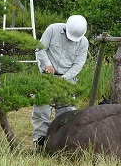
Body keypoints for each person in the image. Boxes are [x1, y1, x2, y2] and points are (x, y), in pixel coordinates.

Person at [32, 15, 89, 150]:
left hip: (67, 81)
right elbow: (40, 48)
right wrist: (47, 65)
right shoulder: (53, 29)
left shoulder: (83, 42)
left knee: (67, 113)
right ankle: (39, 144)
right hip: (47, 77)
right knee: (41, 111)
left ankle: (62, 144)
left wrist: (63, 79)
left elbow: (78, 64)